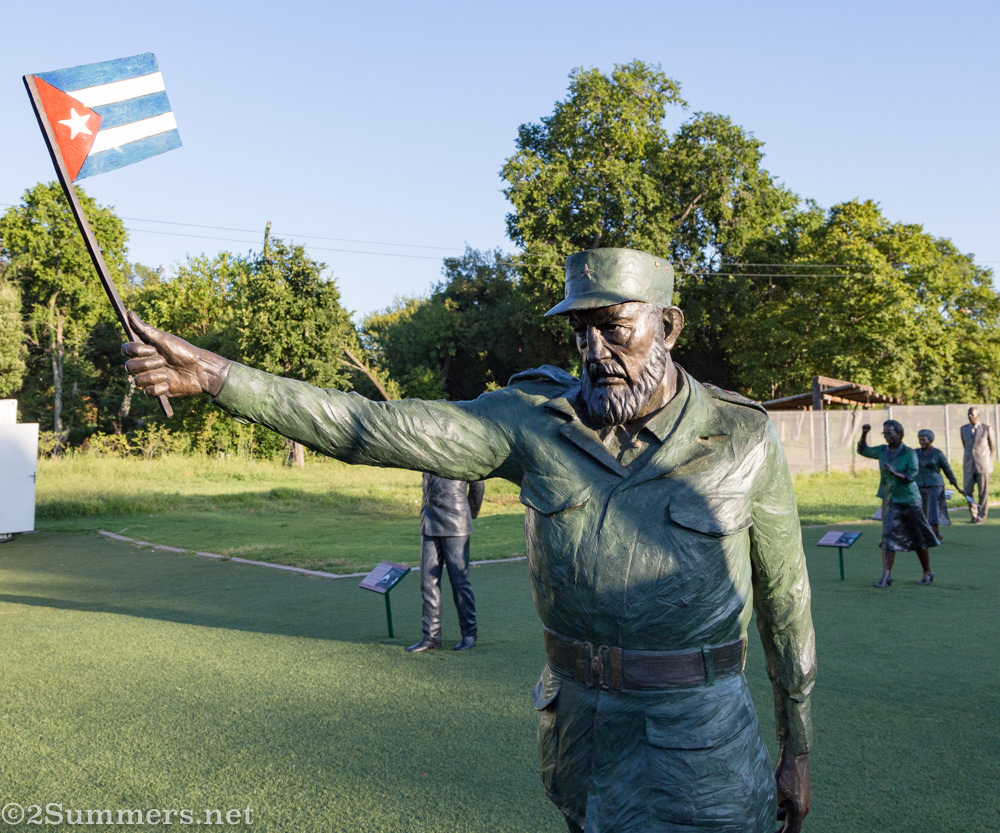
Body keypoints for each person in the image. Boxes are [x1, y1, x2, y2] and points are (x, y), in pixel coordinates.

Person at [123, 247, 815, 833]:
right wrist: (219, 377)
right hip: (585, 736)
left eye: (613, 328)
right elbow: (367, 426)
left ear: (667, 324)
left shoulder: (743, 437)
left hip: (703, 741)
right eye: (580, 332)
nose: (594, 352)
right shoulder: (530, 422)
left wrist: (797, 750)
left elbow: (786, 604)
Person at [408, 474, 485, 652]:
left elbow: (478, 485)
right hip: (429, 521)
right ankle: (431, 637)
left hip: (456, 521)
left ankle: (469, 634)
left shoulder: (463, 451)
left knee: (459, 581)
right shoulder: (427, 451)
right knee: (428, 582)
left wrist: (468, 513)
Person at [858, 421, 939, 586]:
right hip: (890, 499)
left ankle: (927, 572)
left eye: (890, 433)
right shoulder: (882, 451)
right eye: (884, 434)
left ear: (899, 434)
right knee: (888, 537)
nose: (887, 437)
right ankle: (886, 576)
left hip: (909, 500)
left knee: (919, 537)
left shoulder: (909, 453)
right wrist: (864, 433)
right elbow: (863, 450)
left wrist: (895, 473)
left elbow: (912, 475)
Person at [915, 428, 964, 541]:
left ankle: (935, 536)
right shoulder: (915, 453)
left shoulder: (937, 454)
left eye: (923, 439)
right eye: (919, 439)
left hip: (935, 487)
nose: (921, 442)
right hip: (919, 486)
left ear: (930, 440)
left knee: (934, 514)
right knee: (919, 513)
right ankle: (923, 536)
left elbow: (948, 471)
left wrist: (958, 487)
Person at [960, 407, 994, 523]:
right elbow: (965, 446)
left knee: (983, 492)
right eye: (969, 415)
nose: (970, 417)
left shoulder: (986, 428)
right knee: (967, 491)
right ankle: (974, 514)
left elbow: (992, 447)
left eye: (972, 415)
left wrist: (986, 459)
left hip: (983, 464)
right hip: (969, 465)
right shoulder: (964, 429)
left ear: (978, 415)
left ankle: (981, 516)